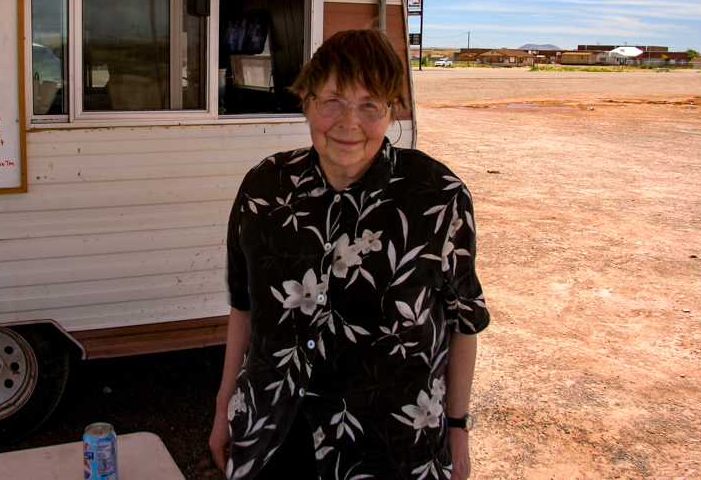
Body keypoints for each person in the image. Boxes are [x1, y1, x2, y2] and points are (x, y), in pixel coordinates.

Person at [209, 29, 490, 480]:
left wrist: (457, 429)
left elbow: (464, 323)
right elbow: (244, 308)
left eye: (369, 105)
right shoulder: (263, 188)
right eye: (332, 101)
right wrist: (226, 404)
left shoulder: (438, 198)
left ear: (392, 110)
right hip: (271, 436)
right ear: (306, 100)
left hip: (391, 448)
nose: (348, 122)